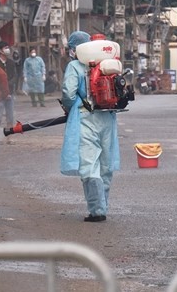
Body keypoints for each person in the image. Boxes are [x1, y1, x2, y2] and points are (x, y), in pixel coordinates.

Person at [60, 31, 120, 223]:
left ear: (75, 48)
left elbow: (68, 94)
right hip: (108, 116)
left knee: (89, 165)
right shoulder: (106, 63)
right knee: (105, 164)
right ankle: (104, 205)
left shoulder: (74, 66)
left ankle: (97, 210)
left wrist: (70, 109)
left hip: (86, 118)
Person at [0, 41, 15, 126]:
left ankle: (9, 133)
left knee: (10, 114)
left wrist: (9, 86)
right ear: (0, 51)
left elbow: (14, 76)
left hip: (10, 91)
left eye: (8, 47)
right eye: (5, 48)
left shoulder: (11, 62)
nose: (8, 49)